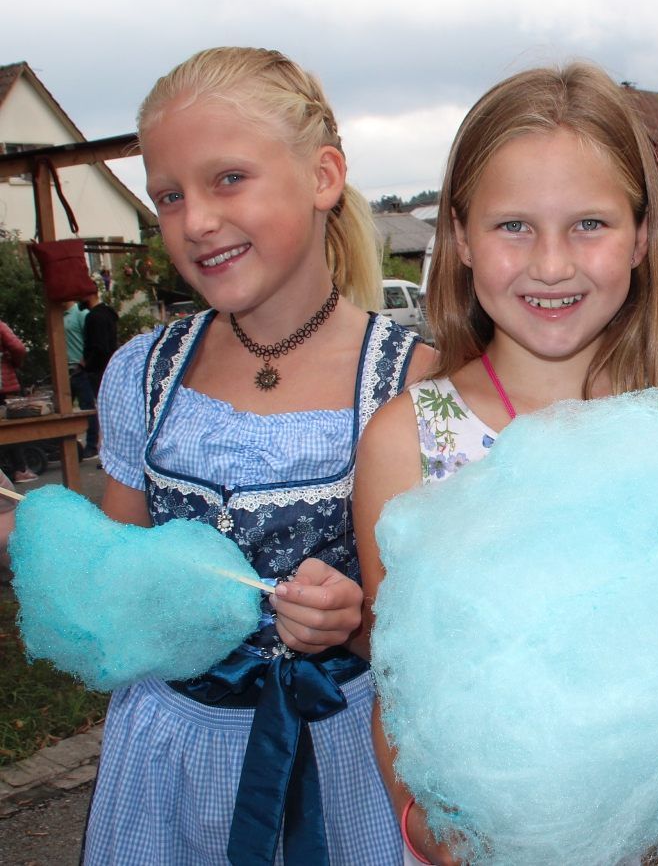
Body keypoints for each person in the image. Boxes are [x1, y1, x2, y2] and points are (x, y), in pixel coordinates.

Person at [354, 62, 658, 866]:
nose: (553, 264)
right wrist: (439, 832)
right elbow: (401, 695)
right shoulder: (409, 441)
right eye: (514, 226)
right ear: (460, 237)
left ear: (643, 236)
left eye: (590, 224)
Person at [82, 46, 436, 866]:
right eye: (168, 197)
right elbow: (114, 580)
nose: (195, 219)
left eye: (227, 179)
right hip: (170, 756)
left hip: (343, 759)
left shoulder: (414, 382)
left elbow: (457, 636)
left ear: (322, 177)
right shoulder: (145, 373)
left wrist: (355, 624)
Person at [0, 318, 36, 483]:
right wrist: (14, 362)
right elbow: (18, 348)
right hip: (4, 384)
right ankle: (19, 469)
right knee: (11, 427)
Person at [63, 299, 99, 458]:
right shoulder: (60, 317)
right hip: (64, 370)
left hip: (80, 368)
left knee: (87, 407)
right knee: (64, 410)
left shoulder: (80, 313)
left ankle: (91, 445)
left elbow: (92, 340)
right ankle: (68, 446)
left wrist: (85, 362)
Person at [82, 283, 118, 398]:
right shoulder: (109, 314)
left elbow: (99, 346)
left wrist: (87, 364)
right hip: (111, 368)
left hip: (98, 370)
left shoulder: (94, 317)